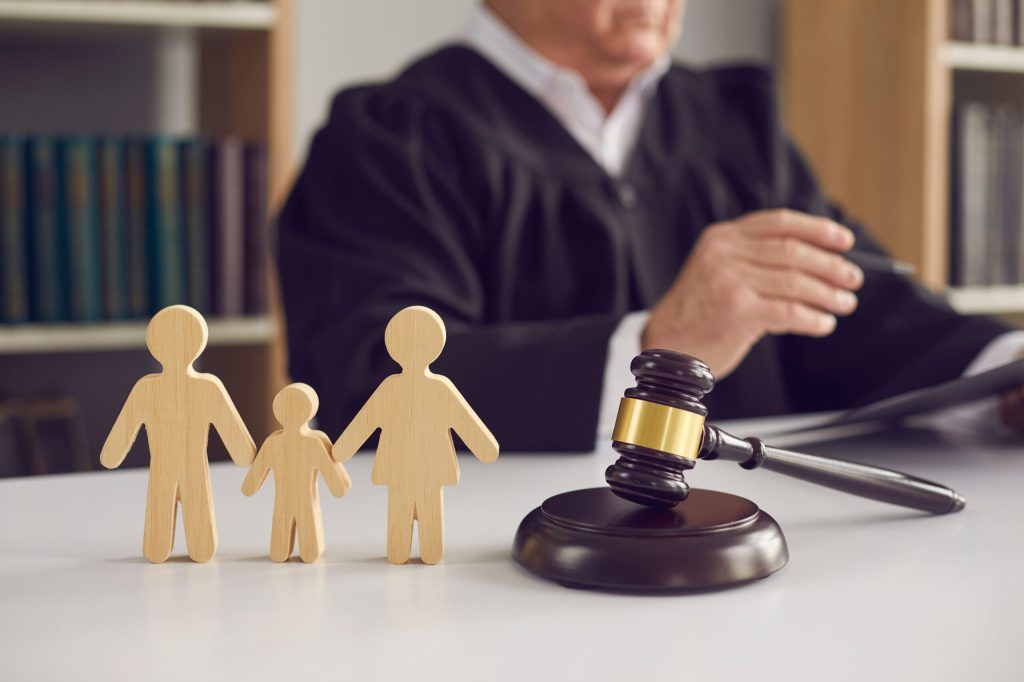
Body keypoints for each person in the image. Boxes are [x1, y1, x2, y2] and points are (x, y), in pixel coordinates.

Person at [277, 0, 1024, 451]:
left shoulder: (736, 120)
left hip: (762, 566)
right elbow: (367, 385)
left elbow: (845, 304)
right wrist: (654, 351)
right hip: (500, 584)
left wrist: (1003, 374)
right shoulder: (386, 139)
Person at [331, 306, 499, 565]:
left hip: (408, 466)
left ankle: (408, 552)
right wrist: (485, 449)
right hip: (418, 467)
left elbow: (361, 426)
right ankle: (415, 552)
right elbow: (365, 422)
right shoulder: (426, 388)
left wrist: (342, 450)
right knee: (414, 508)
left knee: (411, 508)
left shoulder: (399, 387)